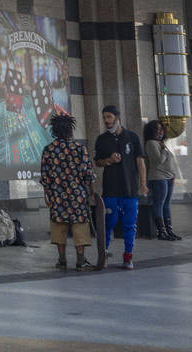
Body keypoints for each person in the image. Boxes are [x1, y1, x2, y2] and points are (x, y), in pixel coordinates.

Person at [39, 112, 97, 270]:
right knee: (79, 226)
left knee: (58, 226)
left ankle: (62, 260)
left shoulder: (48, 150)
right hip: (77, 195)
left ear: (54, 131)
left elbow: (45, 176)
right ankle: (80, 261)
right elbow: (88, 174)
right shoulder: (79, 149)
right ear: (70, 130)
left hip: (57, 195)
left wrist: (47, 194)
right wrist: (91, 192)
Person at [94, 104, 147, 270]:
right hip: (110, 190)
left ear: (117, 117)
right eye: (104, 118)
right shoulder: (102, 139)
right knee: (108, 222)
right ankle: (105, 254)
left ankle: (128, 255)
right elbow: (97, 162)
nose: (106, 121)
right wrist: (108, 160)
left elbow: (140, 161)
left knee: (129, 224)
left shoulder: (132, 137)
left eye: (109, 117)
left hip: (129, 190)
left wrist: (143, 184)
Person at [144, 119, 182, 241]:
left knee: (166, 205)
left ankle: (169, 231)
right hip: (158, 177)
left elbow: (169, 161)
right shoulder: (151, 143)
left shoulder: (160, 143)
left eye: (161, 129)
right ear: (151, 131)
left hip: (168, 177)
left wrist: (173, 174)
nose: (160, 132)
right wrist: (163, 149)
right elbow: (158, 160)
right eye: (157, 129)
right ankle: (161, 232)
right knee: (159, 204)